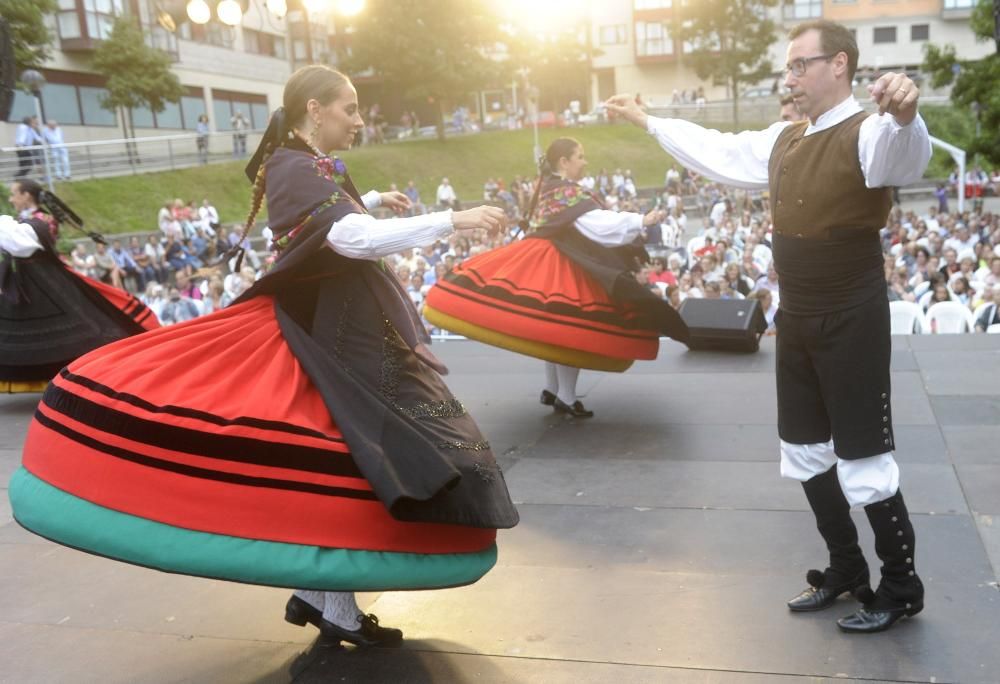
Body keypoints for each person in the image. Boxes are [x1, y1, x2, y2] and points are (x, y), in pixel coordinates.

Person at [9, 65, 518, 648]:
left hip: (340, 324)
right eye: (349, 108)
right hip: (325, 330)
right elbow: (349, 237)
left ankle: (323, 596)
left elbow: (326, 218)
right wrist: (452, 218)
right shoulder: (293, 167)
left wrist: (374, 198)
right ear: (314, 110)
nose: (358, 119)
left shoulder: (309, 166)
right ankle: (331, 603)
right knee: (352, 456)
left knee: (345, 456)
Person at [606, 19, 931, 633]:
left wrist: (908, 116)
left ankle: (900, 585)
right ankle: (846, 570)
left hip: (852, 316)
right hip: (799, 316)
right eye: (787, 67)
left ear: (839, 65)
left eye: (800, 65)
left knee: (864, 456)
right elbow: (721, 150)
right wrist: (648, 122)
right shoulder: (786, 137)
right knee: (805, 450)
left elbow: (902, 155)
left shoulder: (871, 132)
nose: (791, 77)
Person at [425, 137, 689, 418]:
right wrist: (640, 221)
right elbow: (595, 224)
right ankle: (566, 396)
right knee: (568, 324)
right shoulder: (566, 192)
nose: (585, 161)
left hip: (539, 254)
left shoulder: (548, 186)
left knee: (549, 322)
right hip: (558, 260)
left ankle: (553, 389)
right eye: (580, 156)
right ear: (564, 161)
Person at [0, 180, 159, 393]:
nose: (11, 199)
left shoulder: (42, 220)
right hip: (28, 285)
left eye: (14, 194)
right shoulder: (24, 221)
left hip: (49, 285)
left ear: (27, 196)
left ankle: (106, 369)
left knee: (86, 331)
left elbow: (21, 246)